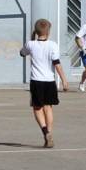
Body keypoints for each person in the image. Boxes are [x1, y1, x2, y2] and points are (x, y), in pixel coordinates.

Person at [20, 19, 69, 148]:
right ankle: (50, 134)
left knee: (37, 108)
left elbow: (22, 53)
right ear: (48, 32)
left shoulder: (30, 44)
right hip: (50, 81)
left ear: (36, 31)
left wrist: (32, 38)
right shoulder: (53, 45)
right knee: (48, 108)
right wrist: (64, 80)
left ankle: (45, 132)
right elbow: (56, 63)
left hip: (36, 81)